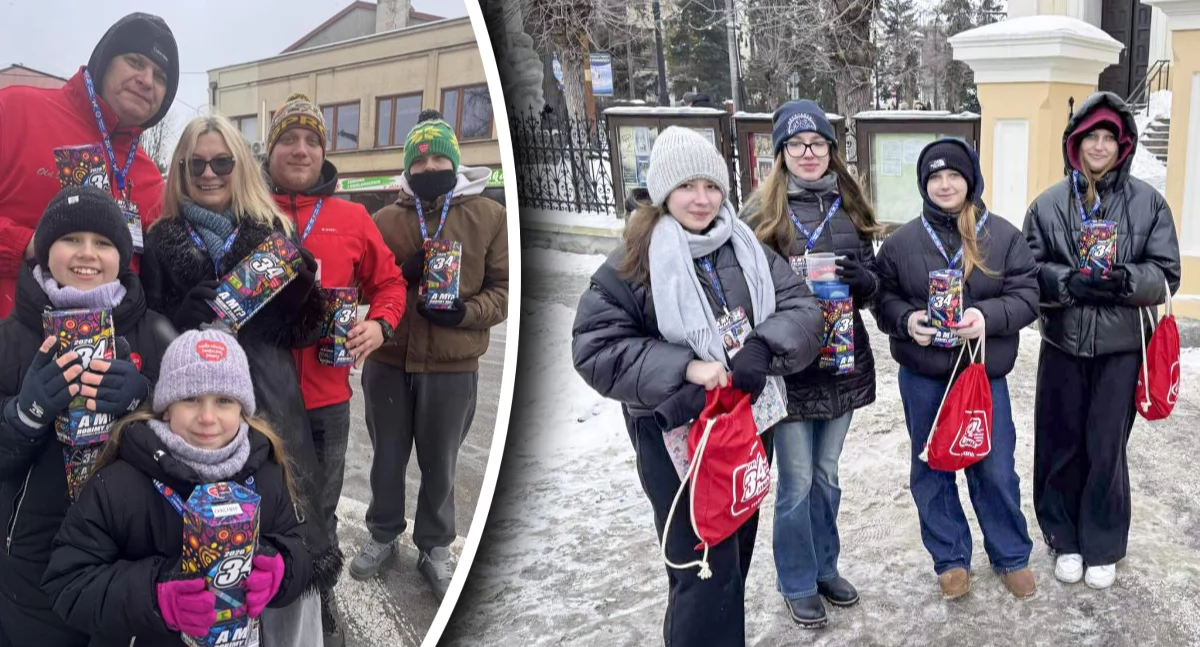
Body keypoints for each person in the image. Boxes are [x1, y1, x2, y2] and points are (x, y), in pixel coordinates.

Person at [572, 126, 823, 646]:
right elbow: (595, 348)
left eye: (711, 185)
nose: (702, 199)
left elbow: (801, 307)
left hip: (745, 425)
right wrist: (685, 366)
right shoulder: (631, 264)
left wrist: (761, 344)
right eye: (688, 186)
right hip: (677, 439)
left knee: (733, 560)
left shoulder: (745, 246)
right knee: (700, 568)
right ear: (663, 191)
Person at [139, 115, 338, 644]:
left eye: (221, 162)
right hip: (198, 417)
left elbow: (305, 329)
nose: (209, 173)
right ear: (180, 169)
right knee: (210, 545)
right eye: (196, 163)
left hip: (270, 404)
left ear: (239, 166)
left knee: (285, 536)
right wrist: (175, 317)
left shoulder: (269, 230)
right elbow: (144, 333)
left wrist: (301, 293)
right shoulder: (159, 241)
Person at [42, 329, 312, 646]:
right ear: (166, 407)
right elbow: (67, 583)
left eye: (224, 400)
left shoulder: (265, 470)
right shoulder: (120, 483)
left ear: (243, 408)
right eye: (190, 398)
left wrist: (283, 570)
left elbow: (299, 543)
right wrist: (155, 596)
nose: (208, 417)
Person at [0, 186, 173, 646]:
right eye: (70, 238)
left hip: (130, 557)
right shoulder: (9, 338)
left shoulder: (154, 333)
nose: (87, 254)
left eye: (103, 243)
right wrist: (24, 415)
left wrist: (146, 403)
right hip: (32, 565)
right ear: (46, 248)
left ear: (122, 254)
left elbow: (194, 444)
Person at [264, 94, 407, 644]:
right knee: (265, 503)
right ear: (270, 148)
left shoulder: (351, 217)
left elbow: (391, 284)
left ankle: (318, 597)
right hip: (257, 397)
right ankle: (264, 601)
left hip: (326, 399)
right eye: (288, 139)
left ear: (323, 151)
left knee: (320, 508)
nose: (301, 149)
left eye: (312, 141)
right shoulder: (249, 208)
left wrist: (380, 326)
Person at [1023, 92, 1180, 590]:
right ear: (1075, 142)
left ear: (1122, 144)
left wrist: (1127, 282)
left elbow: (1166, 273)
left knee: (1106, 446)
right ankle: (1063, 537)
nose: (1098, 145)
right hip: (1064, 345)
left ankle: (1103, 542)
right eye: (1090, 135)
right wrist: (1067, 283)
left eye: (1107, 136)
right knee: (1060, 442)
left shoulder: (1147, 203)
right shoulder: (1048, 204)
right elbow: (1028, 271)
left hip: (1120, 349)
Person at [352, 110, 508, 600]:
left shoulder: (489, 216)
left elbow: (503, 290)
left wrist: (465, 312)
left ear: (456, 160)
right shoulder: (384, 219)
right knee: (387, 457)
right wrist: (402, 268)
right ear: (406, 168)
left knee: (441, 462)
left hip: (452, 364)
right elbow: (364, 287)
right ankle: (382, 534)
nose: (429, 168)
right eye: (419, 162)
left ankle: (435, 547)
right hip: (389, 360)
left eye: (440, 157)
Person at [873, 138, 1039, 600]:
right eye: (935, 177)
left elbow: (1027, 296)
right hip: (924, 376)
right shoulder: (901, 242)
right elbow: (881, 299)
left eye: (954, 176)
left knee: (995, 467)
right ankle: (950, 558)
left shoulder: (1003, 237)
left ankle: (1011, 555)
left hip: (981, 376)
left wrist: (986, 317)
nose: (945, 185)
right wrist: (908, 322)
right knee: (932, 468)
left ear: (971, 180)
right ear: (925, 185)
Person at [740, 100, 880, 628]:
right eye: (796, 145)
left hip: (843, 359)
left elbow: (873, 277)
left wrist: (868, 285)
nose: (807, 154)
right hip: (789, 365)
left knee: (827, 475)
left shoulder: (851, 207)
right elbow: (746, 292)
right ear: (780, 153)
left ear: (830, 151)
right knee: (795, 480)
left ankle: (825, 566)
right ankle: (796, 579)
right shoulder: (761, 216)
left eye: (817, 144)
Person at [0, 12, 179, 319]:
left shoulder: (150, 175)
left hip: (106, 357)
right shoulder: (15, 111)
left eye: (160, 76)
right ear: (105, 61)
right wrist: (28, 245)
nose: (147, 80)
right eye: (135, 62)